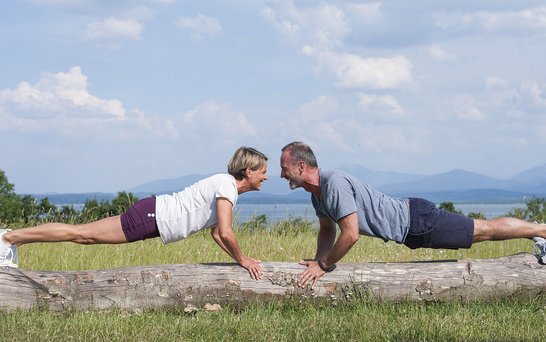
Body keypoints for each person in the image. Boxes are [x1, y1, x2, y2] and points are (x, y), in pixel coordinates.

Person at [279, 141, 546, 288]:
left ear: (302, 166)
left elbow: (350, 235)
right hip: (412, 226)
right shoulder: (317, 195)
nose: (281, 174)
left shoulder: (333, 184)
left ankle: (541, 231)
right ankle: (538, 231)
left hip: (417, 222)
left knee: (483, 231)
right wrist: (316, 262)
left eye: (285, 168)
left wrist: (323, 266)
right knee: (481, 233)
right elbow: (328, 230)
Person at [0, 146, 268, 280]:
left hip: (152, 216)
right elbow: (226, 231)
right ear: (248, 172)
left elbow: (216, 234)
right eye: (263, 172)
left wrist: (237, 258)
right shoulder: (227, 186)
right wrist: (243, 260)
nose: (266, 177)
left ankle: (15, 239)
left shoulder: (226, 187)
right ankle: (9, 239)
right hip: (152, 217)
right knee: (82, 235)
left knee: (82, 235)